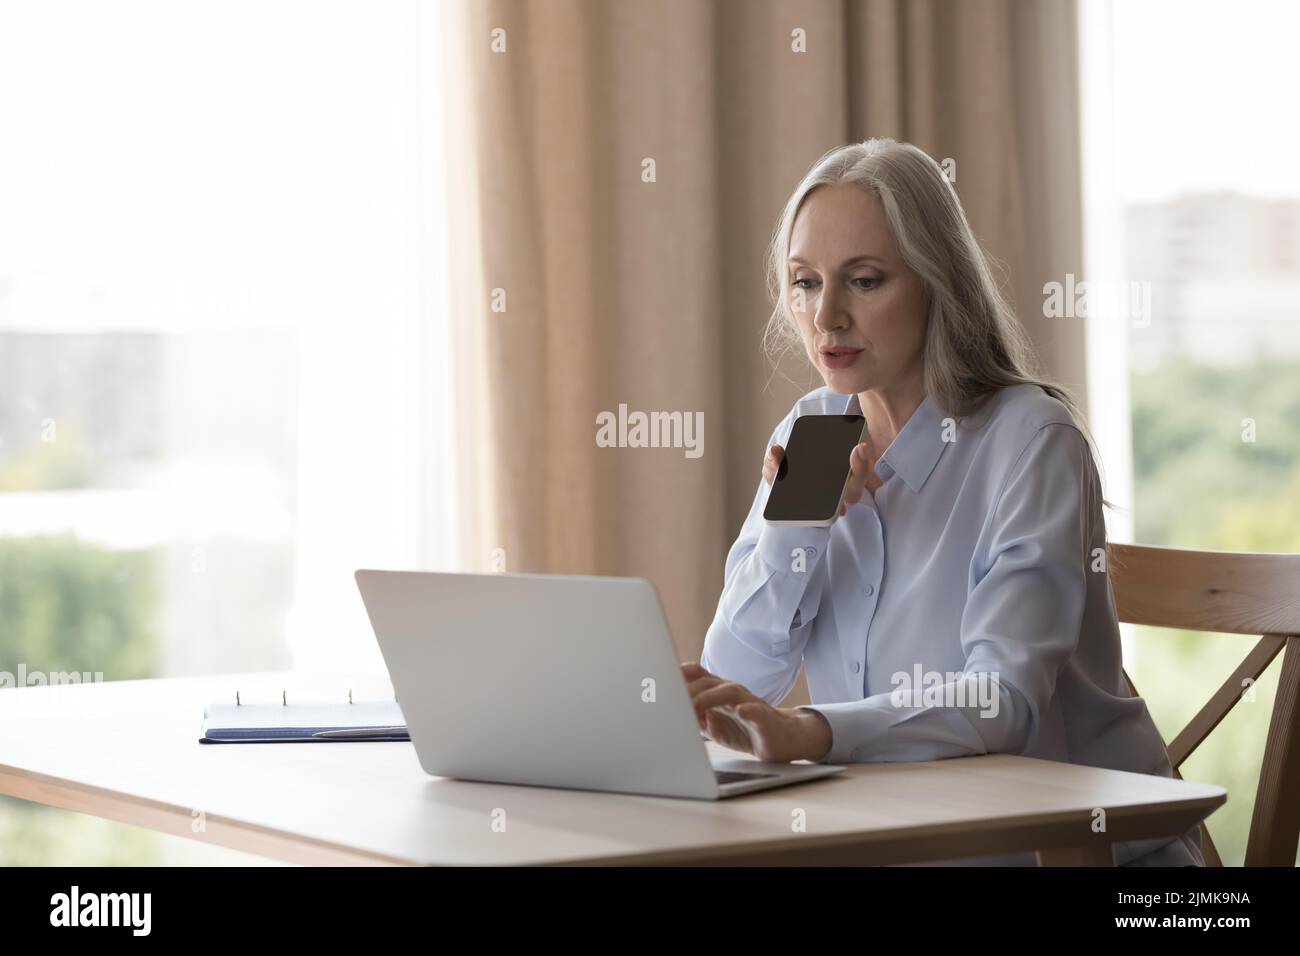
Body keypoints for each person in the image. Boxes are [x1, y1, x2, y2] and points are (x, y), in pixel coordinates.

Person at [684, 138, 1203, 867]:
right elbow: (739, 677)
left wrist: (815, 730)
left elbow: (1005, 700)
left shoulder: (1031, 442)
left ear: (938, 282)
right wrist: (794, 525)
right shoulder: (814, 432)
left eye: (863, 281)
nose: (825, 316)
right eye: (804, 282)